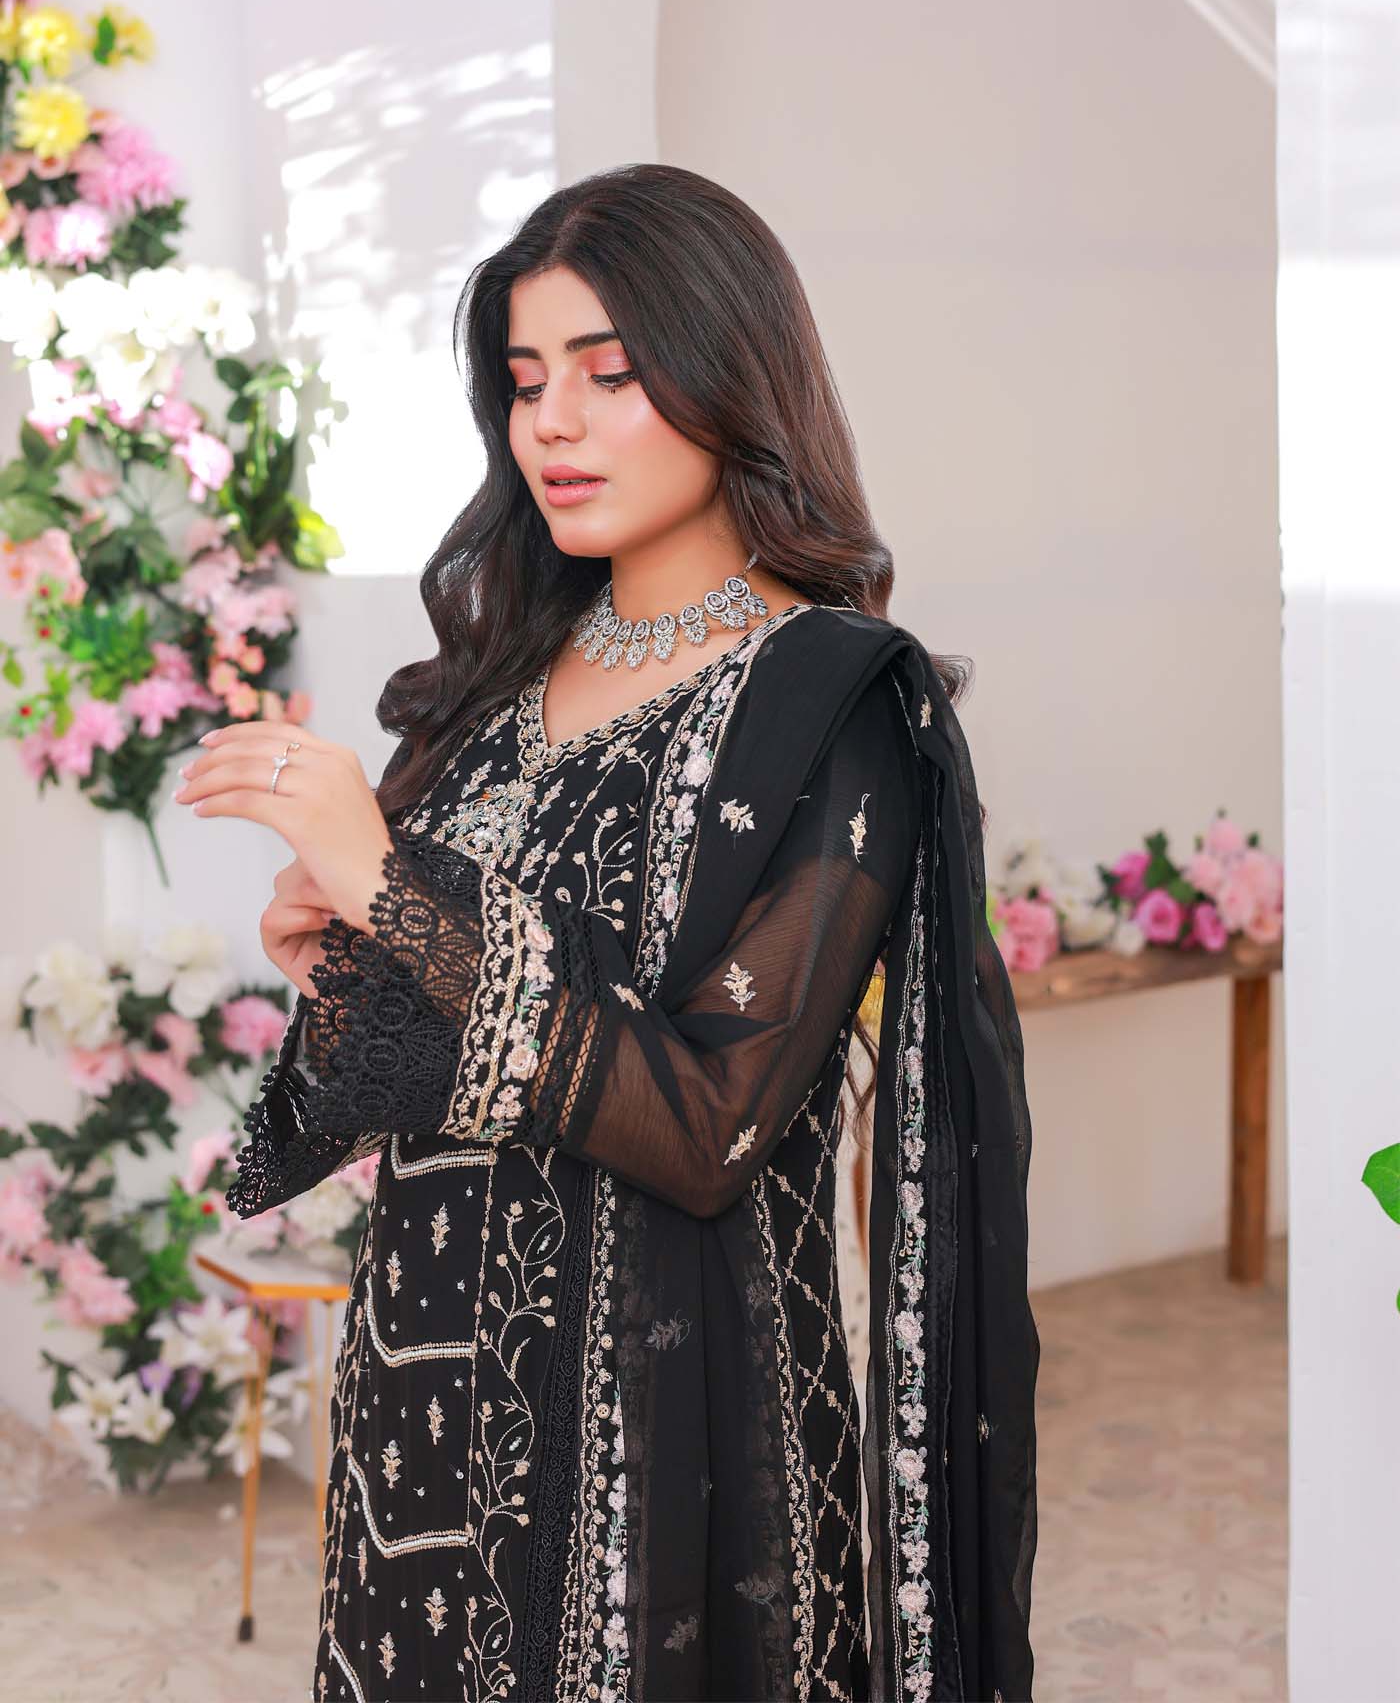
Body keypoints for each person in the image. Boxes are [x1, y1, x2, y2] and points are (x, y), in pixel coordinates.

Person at [193, 163, 1038, 1702]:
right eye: (526, 384)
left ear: (731, 375)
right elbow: (419, 1072)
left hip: (661, 1428)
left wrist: (397, 890)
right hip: (423, 1404)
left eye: (610, 373)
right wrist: (348, 960)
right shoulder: (493, 688)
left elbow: (714, 1124)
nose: (553, 426)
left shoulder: (829, 704)